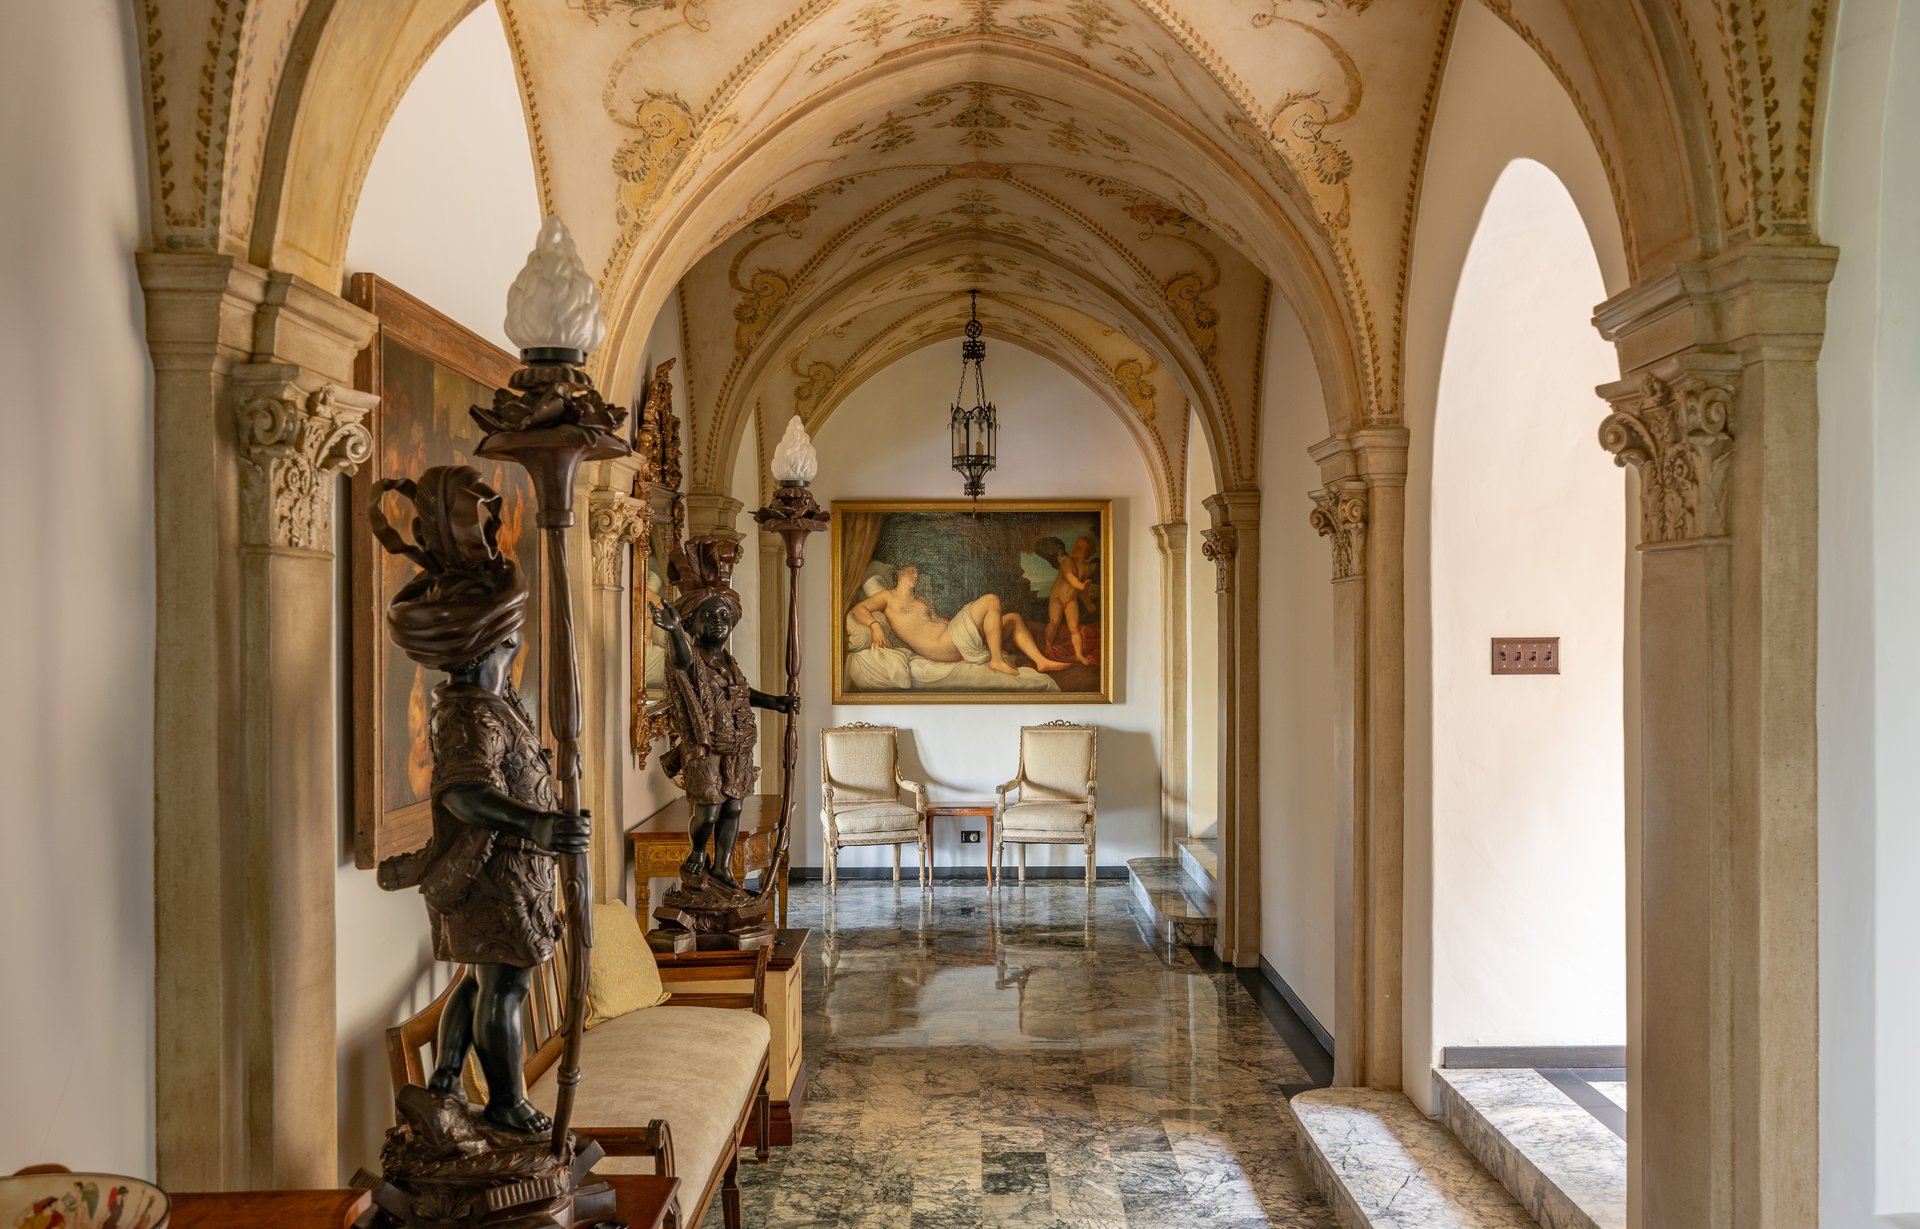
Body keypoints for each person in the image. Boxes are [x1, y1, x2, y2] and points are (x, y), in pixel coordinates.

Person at [369, 465, 590, 1137]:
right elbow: (465, 794)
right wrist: (540, 824)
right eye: (511, 633)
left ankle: (446, 1075)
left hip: (508, 873)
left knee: (483, 976)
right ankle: (504, 1102)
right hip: (491, 874)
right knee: (506, 985)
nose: (517, 640)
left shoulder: (491, 701)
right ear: (493, 641)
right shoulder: (468, 710)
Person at [652, 537, 795, 891]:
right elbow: (683, 662)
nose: (718, 622)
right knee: (709, 811)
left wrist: (776, 702)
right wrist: (674, 632)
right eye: (708, 616)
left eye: (724, 616)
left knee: (733, 809)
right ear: (692, 622)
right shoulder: (693, 659)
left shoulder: (729, 662)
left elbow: (742, 695)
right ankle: (698, 850)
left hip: (739, 746)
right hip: (707, 749)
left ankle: (723, 868)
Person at [851, 563, 1068, 676]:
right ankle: (996, 661)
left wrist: (967, 625)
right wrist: (875, 626)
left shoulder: (921, 600)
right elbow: (859, 609)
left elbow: (936, 622)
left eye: (915, 572)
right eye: (909, 572)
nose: (914, 576)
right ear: (899, 573)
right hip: (940, 646)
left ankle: (1041, 662)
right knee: (991, 600)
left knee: (1013, 618)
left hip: (953, 637)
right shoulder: (887, 597)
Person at [1037, 535, 1097, 665]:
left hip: (1071, 600)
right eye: (1076, 545)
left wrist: (1088, 604)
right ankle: (1047, 645)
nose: (1075, 548)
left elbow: (1083, 591)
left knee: (1074, 627)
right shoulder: (1067, 561)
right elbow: (1071, 578)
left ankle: (1079, 654)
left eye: (1080, 548)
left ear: (1087, 553)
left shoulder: (1085, 569)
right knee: (1054, 621)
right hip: (1057, 598)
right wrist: (1081, 586)